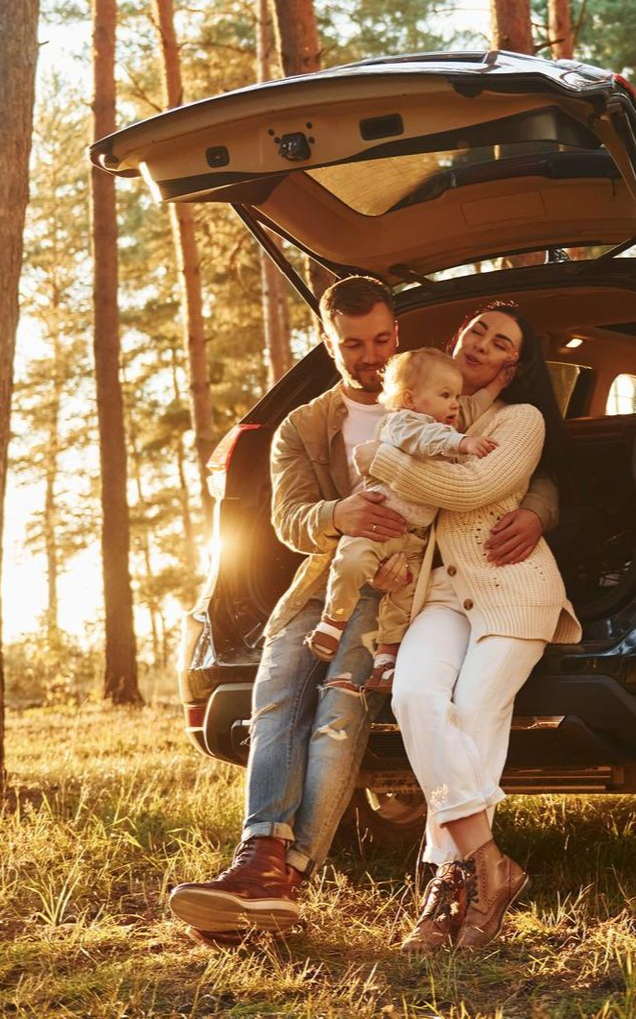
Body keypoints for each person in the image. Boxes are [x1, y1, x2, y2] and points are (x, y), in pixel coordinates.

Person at [168, 278, 556, 937]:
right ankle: (259, 855)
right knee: (274, 697)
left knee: (339, 710)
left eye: (381, 339)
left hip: (399, 588)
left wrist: (541, 510)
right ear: (328, 342)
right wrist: (337, 512)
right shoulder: (305, 423)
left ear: (397, 335)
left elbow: (509, 468)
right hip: (323, 579)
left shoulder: (444, 396)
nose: (370, 355)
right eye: (353, 344)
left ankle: (289, 874)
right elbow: (288, 518)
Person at [350, 305, 580, 952]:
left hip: (513, 593)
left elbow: (474, 485)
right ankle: (489, 864)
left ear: (514, 363)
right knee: (416, 697)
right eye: (477, 328)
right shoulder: (431, 416)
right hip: (441, 597)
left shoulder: (520, 420)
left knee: (475, 708)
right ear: (455, 341)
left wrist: (380, 456)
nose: (483, 341)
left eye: (501, 338)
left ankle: (445, 892)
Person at [305, 347, 501, 694]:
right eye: (445, 395)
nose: (455, 404)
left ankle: (385, 661)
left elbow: (471, 408)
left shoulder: (443, 426)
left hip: (415, 538)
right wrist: (463, 443)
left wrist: (496, 386)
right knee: (351, 562)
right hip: (377, 524)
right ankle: (333, 622)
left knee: (406, 601)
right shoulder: (403, 424)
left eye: (457, 395)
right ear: (410, 399)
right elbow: (425, 440)